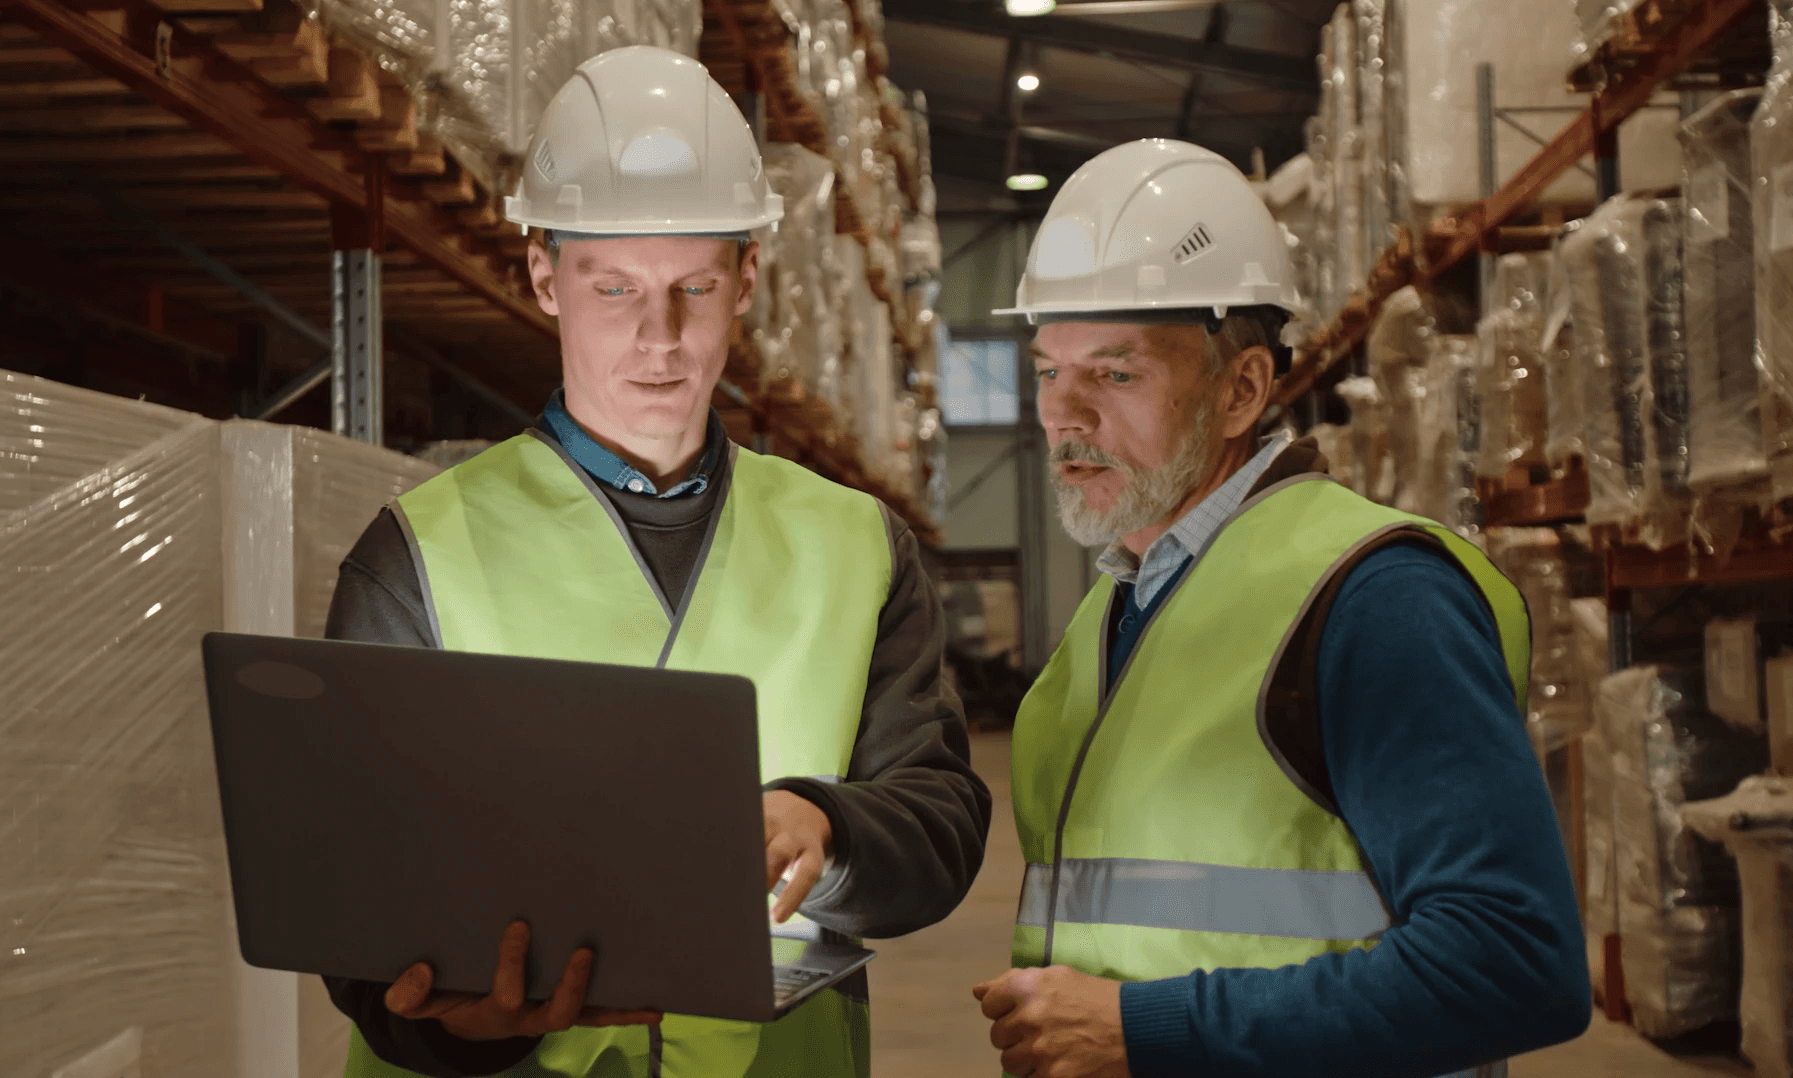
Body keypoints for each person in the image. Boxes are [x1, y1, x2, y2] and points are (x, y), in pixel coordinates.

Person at [320, 45, 991, 1078]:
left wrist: (829, 824)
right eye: (613, 287)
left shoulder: (855, 545)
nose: (660, 335)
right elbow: (351, 879)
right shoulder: (416, 553)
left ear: (748, 279)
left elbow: (939, 818)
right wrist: (445, 1023)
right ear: (544, 274)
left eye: (694, 286)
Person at [971, 139, 1590, 1078]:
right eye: (1049, 371)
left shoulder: (1373, 599)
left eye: (1116, 372)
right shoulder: (1109, 619)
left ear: (1242, 389)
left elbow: (1512, 962)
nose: (1067, 415)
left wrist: (1148, 1030)